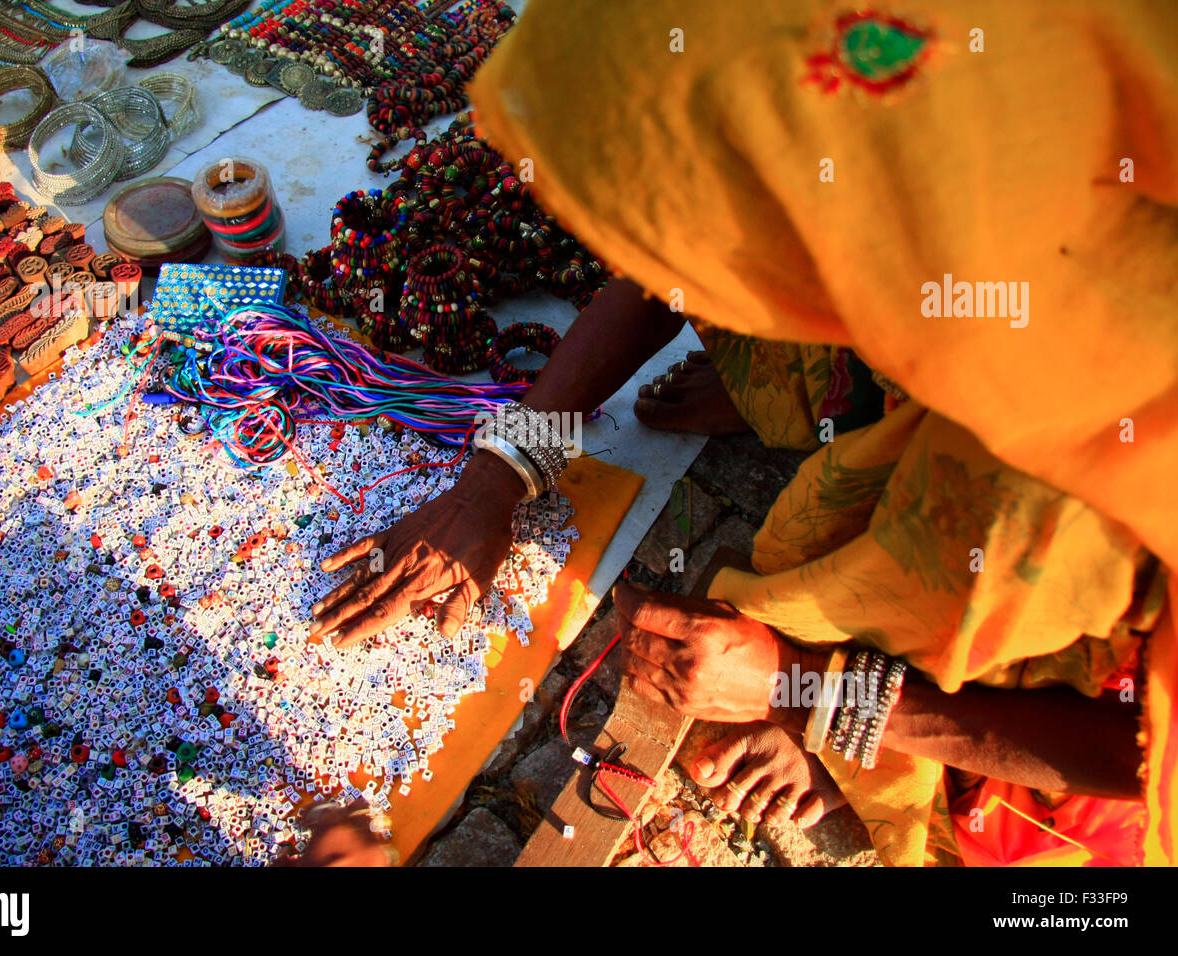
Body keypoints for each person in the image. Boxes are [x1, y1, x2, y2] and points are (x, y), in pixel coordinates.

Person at [310, 0, 1177, 865]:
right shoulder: (905, 146)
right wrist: (499, 474)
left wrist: (808, 693)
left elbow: (1143, 755)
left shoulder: (1115, 417)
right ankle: (839, 393)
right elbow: (674, 253)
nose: (702, 271)